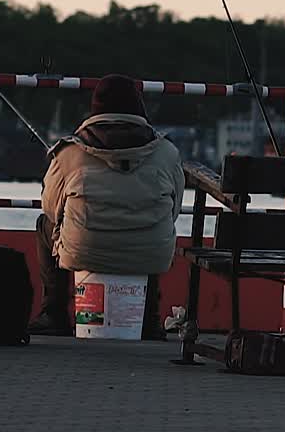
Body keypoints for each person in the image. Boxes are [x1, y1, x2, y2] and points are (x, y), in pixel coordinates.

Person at [29, 74, 185, 336]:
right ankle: (149, 320)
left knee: (43, 224)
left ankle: (54, 313)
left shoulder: (70, 153)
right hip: (149, 253)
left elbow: (50, 207)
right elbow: (173, 209)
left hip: (84, 251)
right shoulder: (167, 153)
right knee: (153, 226)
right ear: (139, 106)